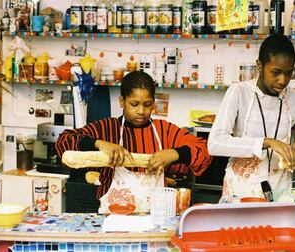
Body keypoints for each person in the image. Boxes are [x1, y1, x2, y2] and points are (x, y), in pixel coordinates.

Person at [55, 71, 212, 213]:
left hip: (157, 218)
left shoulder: (164, 131)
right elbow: (64, 141)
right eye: (134, 104)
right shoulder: (108, 129)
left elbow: (204, 150)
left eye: (147, 104)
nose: (141, 111)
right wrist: (99, 143)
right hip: (113, 219)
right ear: (122, 102)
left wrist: (175, 153)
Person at [208, 34, 295, 203]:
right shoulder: (239, 92)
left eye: (288, 73)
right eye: (275, 72)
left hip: (280, 195)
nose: (283, 80)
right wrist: (268, 142)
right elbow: (215, 143)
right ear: (260, 66)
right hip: (241, 193)